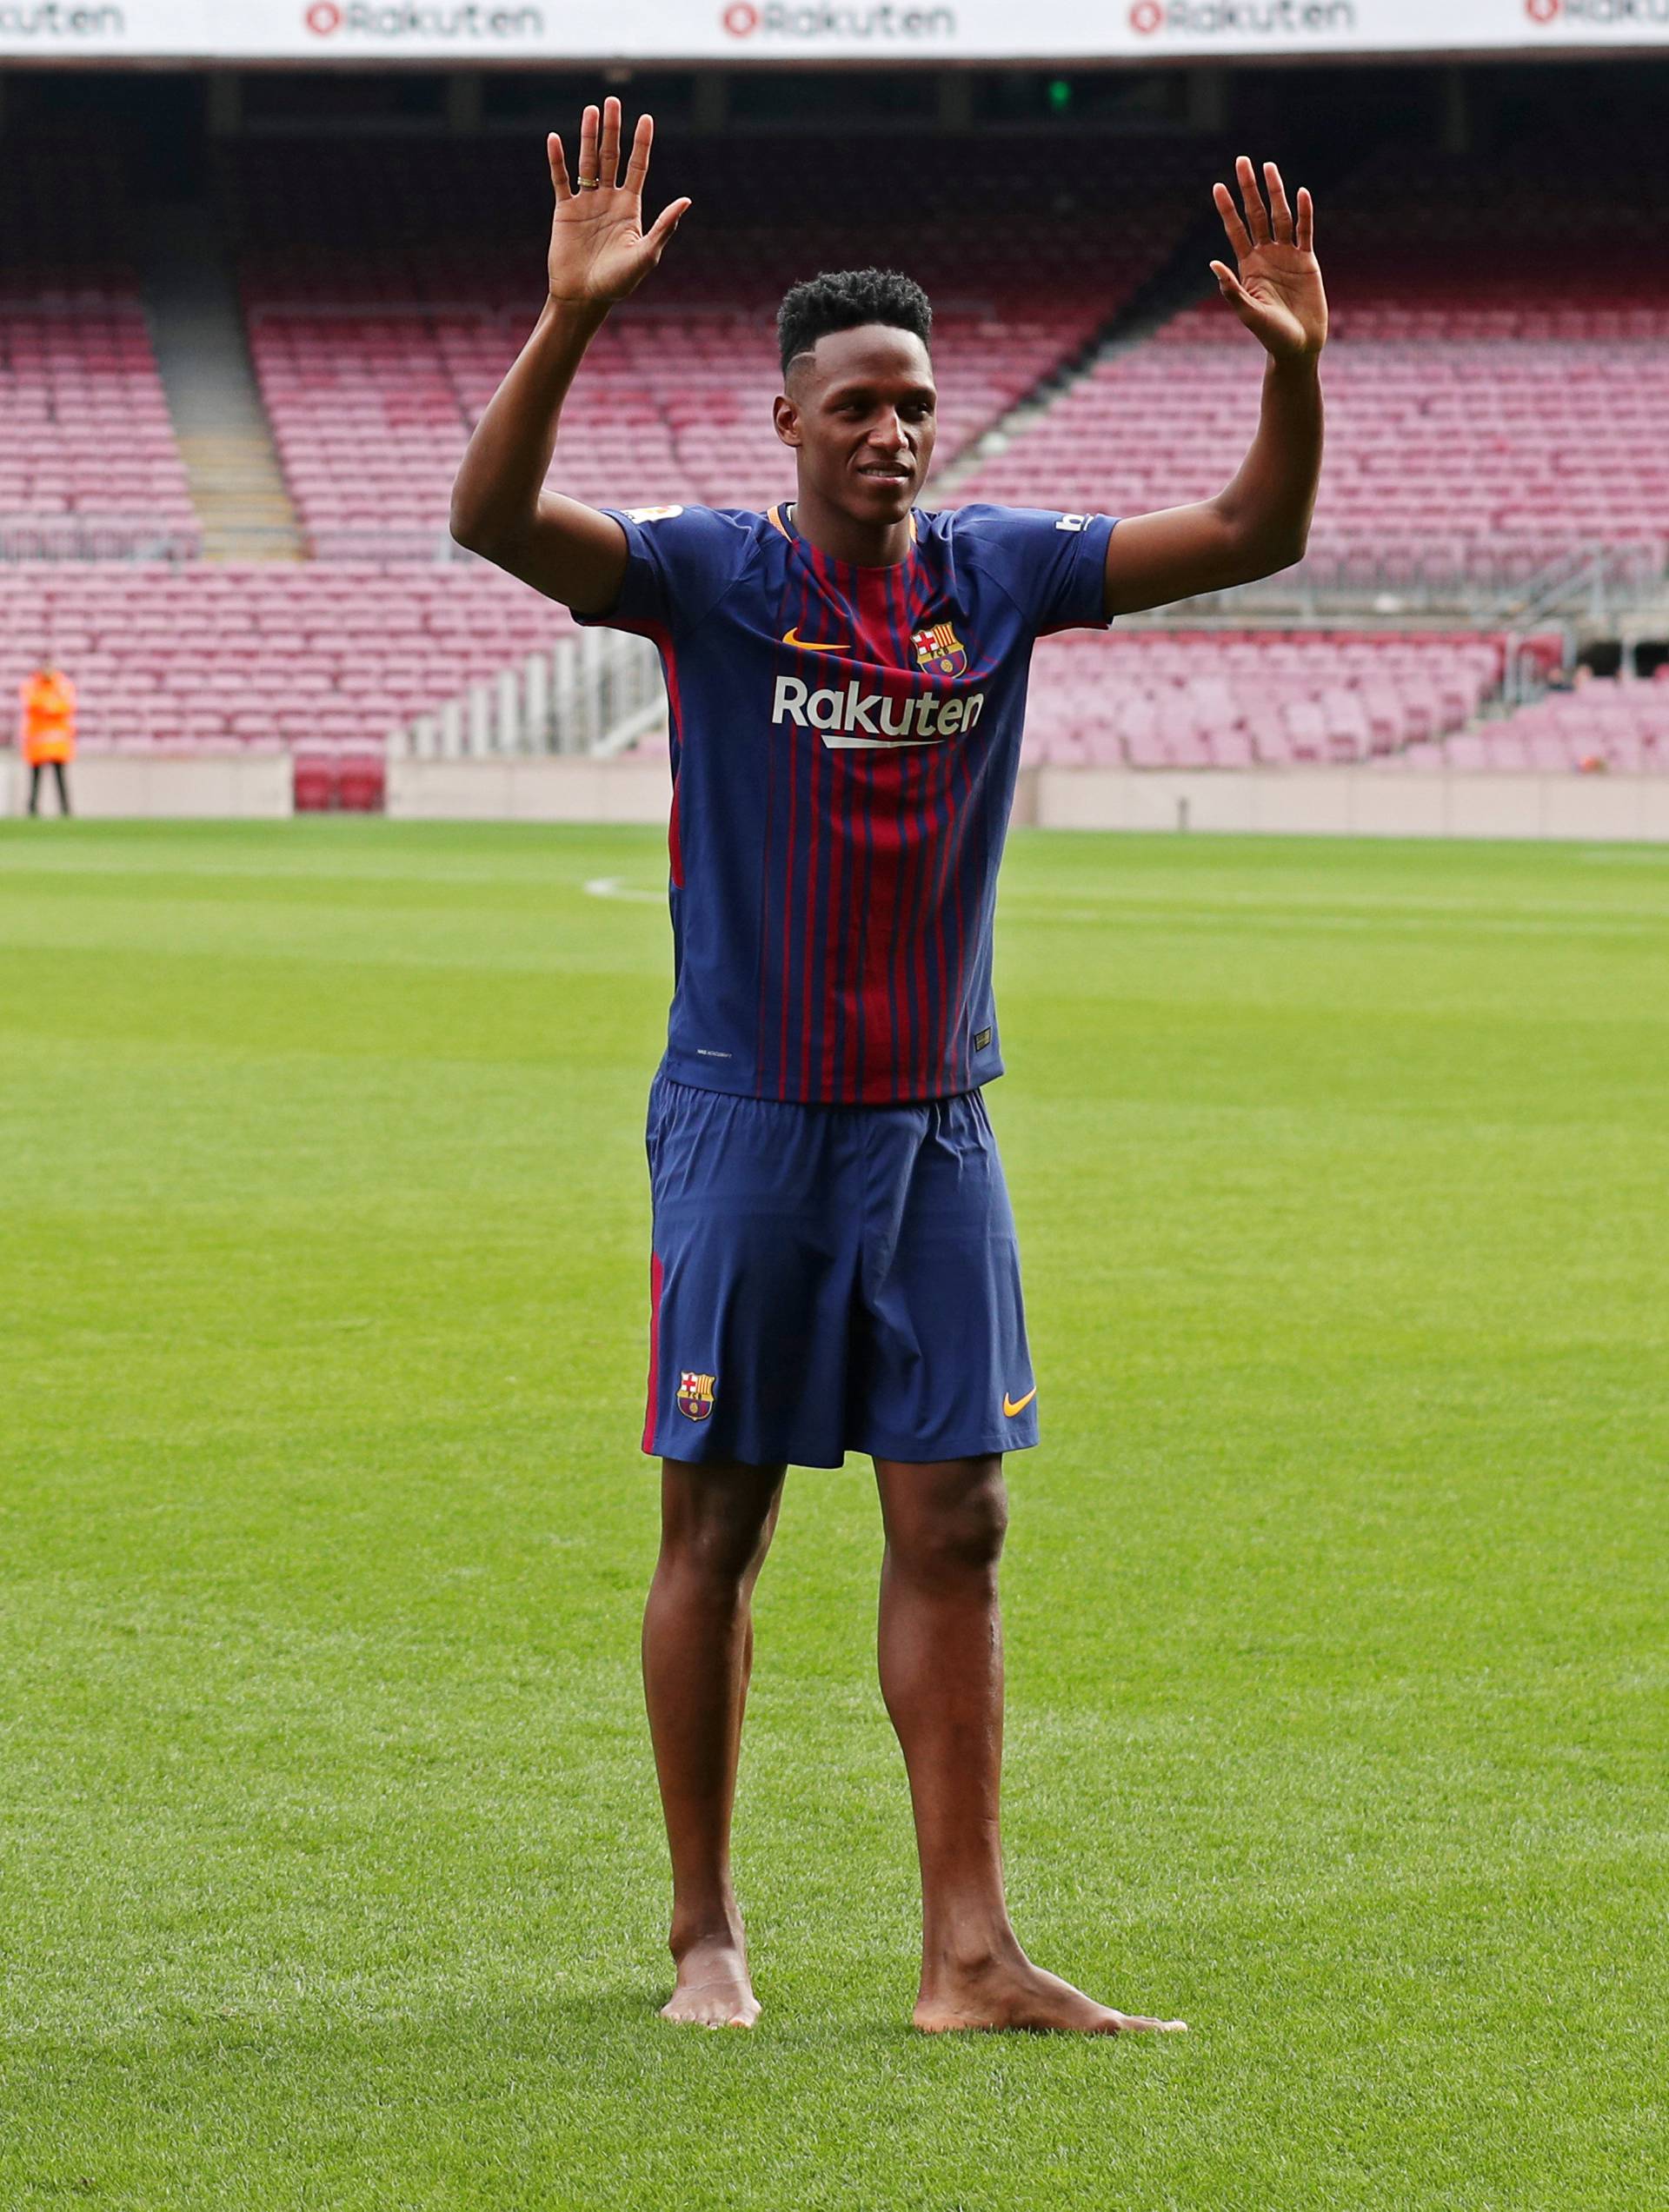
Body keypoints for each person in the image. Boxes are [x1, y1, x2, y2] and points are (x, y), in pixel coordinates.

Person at [451, 100, 1327, 2035]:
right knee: (722, 1517)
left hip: (937, 1129)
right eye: (852, 402)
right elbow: (493, 522)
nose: (891, 428)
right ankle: (706, 1935)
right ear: (789, 422)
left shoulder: (1002, 577)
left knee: (960, 1521)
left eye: (914, 399)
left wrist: (1295, 374)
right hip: (749, 1122)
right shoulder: (707, 577)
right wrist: (571, 318)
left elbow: (1260, 532)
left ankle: (969, 1952)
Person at [21, 660, 76, 816]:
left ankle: (65, 809)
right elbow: (32, 703)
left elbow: (65, 706)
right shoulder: (33, 685)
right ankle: (32, 808)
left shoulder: (63, 685)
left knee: (60, 778)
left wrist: (47, 705)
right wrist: (50, 704)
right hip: (37, 744)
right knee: (35, 779)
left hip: (57, 744)